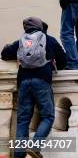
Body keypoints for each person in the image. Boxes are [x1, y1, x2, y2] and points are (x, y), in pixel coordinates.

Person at [1, 17, 66, 158]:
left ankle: (19, 154)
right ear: (41, 27)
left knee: (23, 120)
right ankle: (35, 147)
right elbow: (63, 60)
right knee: (48, 116)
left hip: (23, 82)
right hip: (42, 81)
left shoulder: (21, 42)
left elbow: (5, 54)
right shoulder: (49, 39)